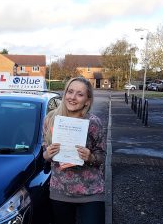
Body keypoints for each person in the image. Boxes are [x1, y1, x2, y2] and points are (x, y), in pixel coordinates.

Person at [43, 77, 106, 224]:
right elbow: (44, 154)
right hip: (60, 191)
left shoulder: (93, 123)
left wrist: (90, 157)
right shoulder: (50, 120)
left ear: (87, 101)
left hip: (91, 192)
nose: (72, 97)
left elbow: (102, 156)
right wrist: (48, 154)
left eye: (79, 94)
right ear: (65, 94)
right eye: (70, 92)